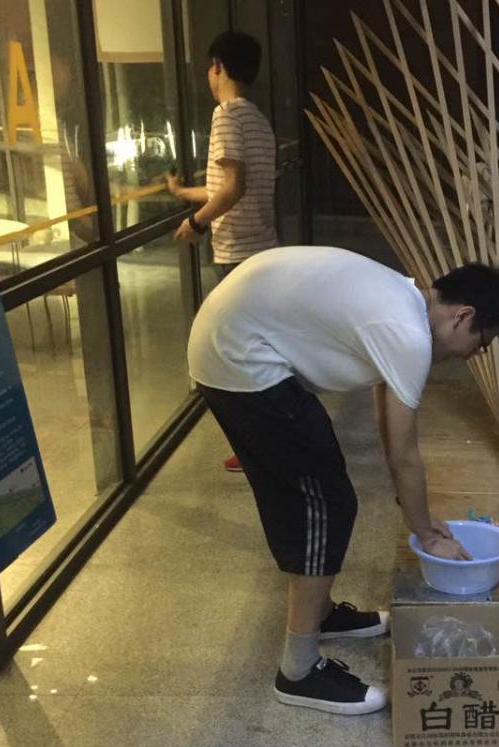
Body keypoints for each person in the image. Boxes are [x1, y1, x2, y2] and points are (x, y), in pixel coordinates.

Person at [187, 246, 499, 716]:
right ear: (463, 315)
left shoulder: (404, 301)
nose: (473, 355)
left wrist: (419, 516)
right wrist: (426, 533)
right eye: (481, 342)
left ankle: (320, 614)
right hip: (240, 358)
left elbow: (390, 422)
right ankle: (298, 672)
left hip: (229, 341)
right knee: (325, 504)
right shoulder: (407, 333)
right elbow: (405, 456)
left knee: (317, 488)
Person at [167, 31, 278, 476]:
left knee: (233, 358)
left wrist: (196, 222)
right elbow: (226, 187)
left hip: (237, 253)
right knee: (255, 352)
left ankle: (258, 450)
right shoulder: (257, 119)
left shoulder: (226, 115)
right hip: (262, 248)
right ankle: (266, 443)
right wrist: (184, 193)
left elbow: (233, 188)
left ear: (217, 66)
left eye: (209, 68)